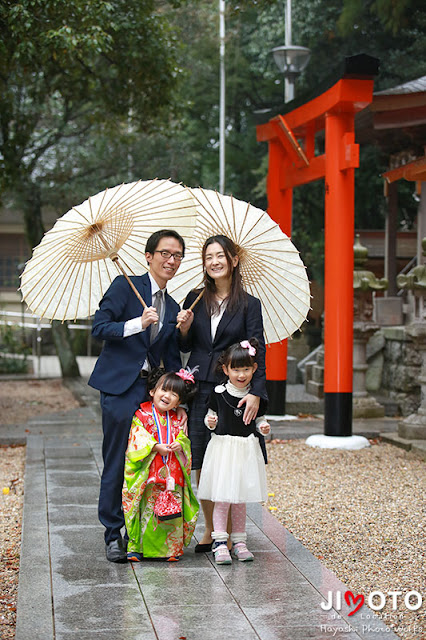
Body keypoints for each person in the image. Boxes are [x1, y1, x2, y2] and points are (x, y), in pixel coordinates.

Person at [88, 229, 186, 562]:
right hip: (118, 389)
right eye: (165, 253)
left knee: (147, 461)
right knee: (117, 460)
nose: (171, 261)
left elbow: (171, 359)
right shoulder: (125, 286)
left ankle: (138, 531)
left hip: (149, 393)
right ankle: (113, 534)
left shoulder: (173, 307)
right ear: (149, 256)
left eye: (177, 256)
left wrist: (179, 395)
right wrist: (136, 323)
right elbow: (99, 327)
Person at [176, 234, 267, 552]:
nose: (213, 261)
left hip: (235, 392)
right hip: (201, 388)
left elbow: (258, 350)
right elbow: (185, 347)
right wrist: (184, 328)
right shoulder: (195, 297)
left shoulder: (249, 305)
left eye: (220, 256)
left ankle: (230, 532)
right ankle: (212, 531)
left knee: (232, 458)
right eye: (208, 257)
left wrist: (256, 392)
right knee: (203, 460)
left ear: (233, 260)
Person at [197, 339, 270, 564]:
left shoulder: (255, 397)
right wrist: (210, 421)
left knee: (240, 498)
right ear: (226, 369)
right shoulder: (218, 393)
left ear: (254, 369)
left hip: (245, 450)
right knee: (222, 497)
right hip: (223, 449)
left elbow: (259, 420)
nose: (241, 374)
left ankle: (239, 541)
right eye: (236, 369)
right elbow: (210, 418)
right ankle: (220, 542)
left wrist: (263, 427)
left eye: (246, 369)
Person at [122, 368, 199, 562]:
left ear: (179, 402)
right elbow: (136, 437)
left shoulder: (177, 418)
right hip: (148, 472)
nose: (167, 396)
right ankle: (136, 547)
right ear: (152, 391)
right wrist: (155, 446)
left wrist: (180, 444)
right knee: (143, 509)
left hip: (171, 474)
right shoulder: (142, 415)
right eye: (164, 390)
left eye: (174, 394)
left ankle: (170, 550)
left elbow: (184, 440)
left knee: (171, 510)